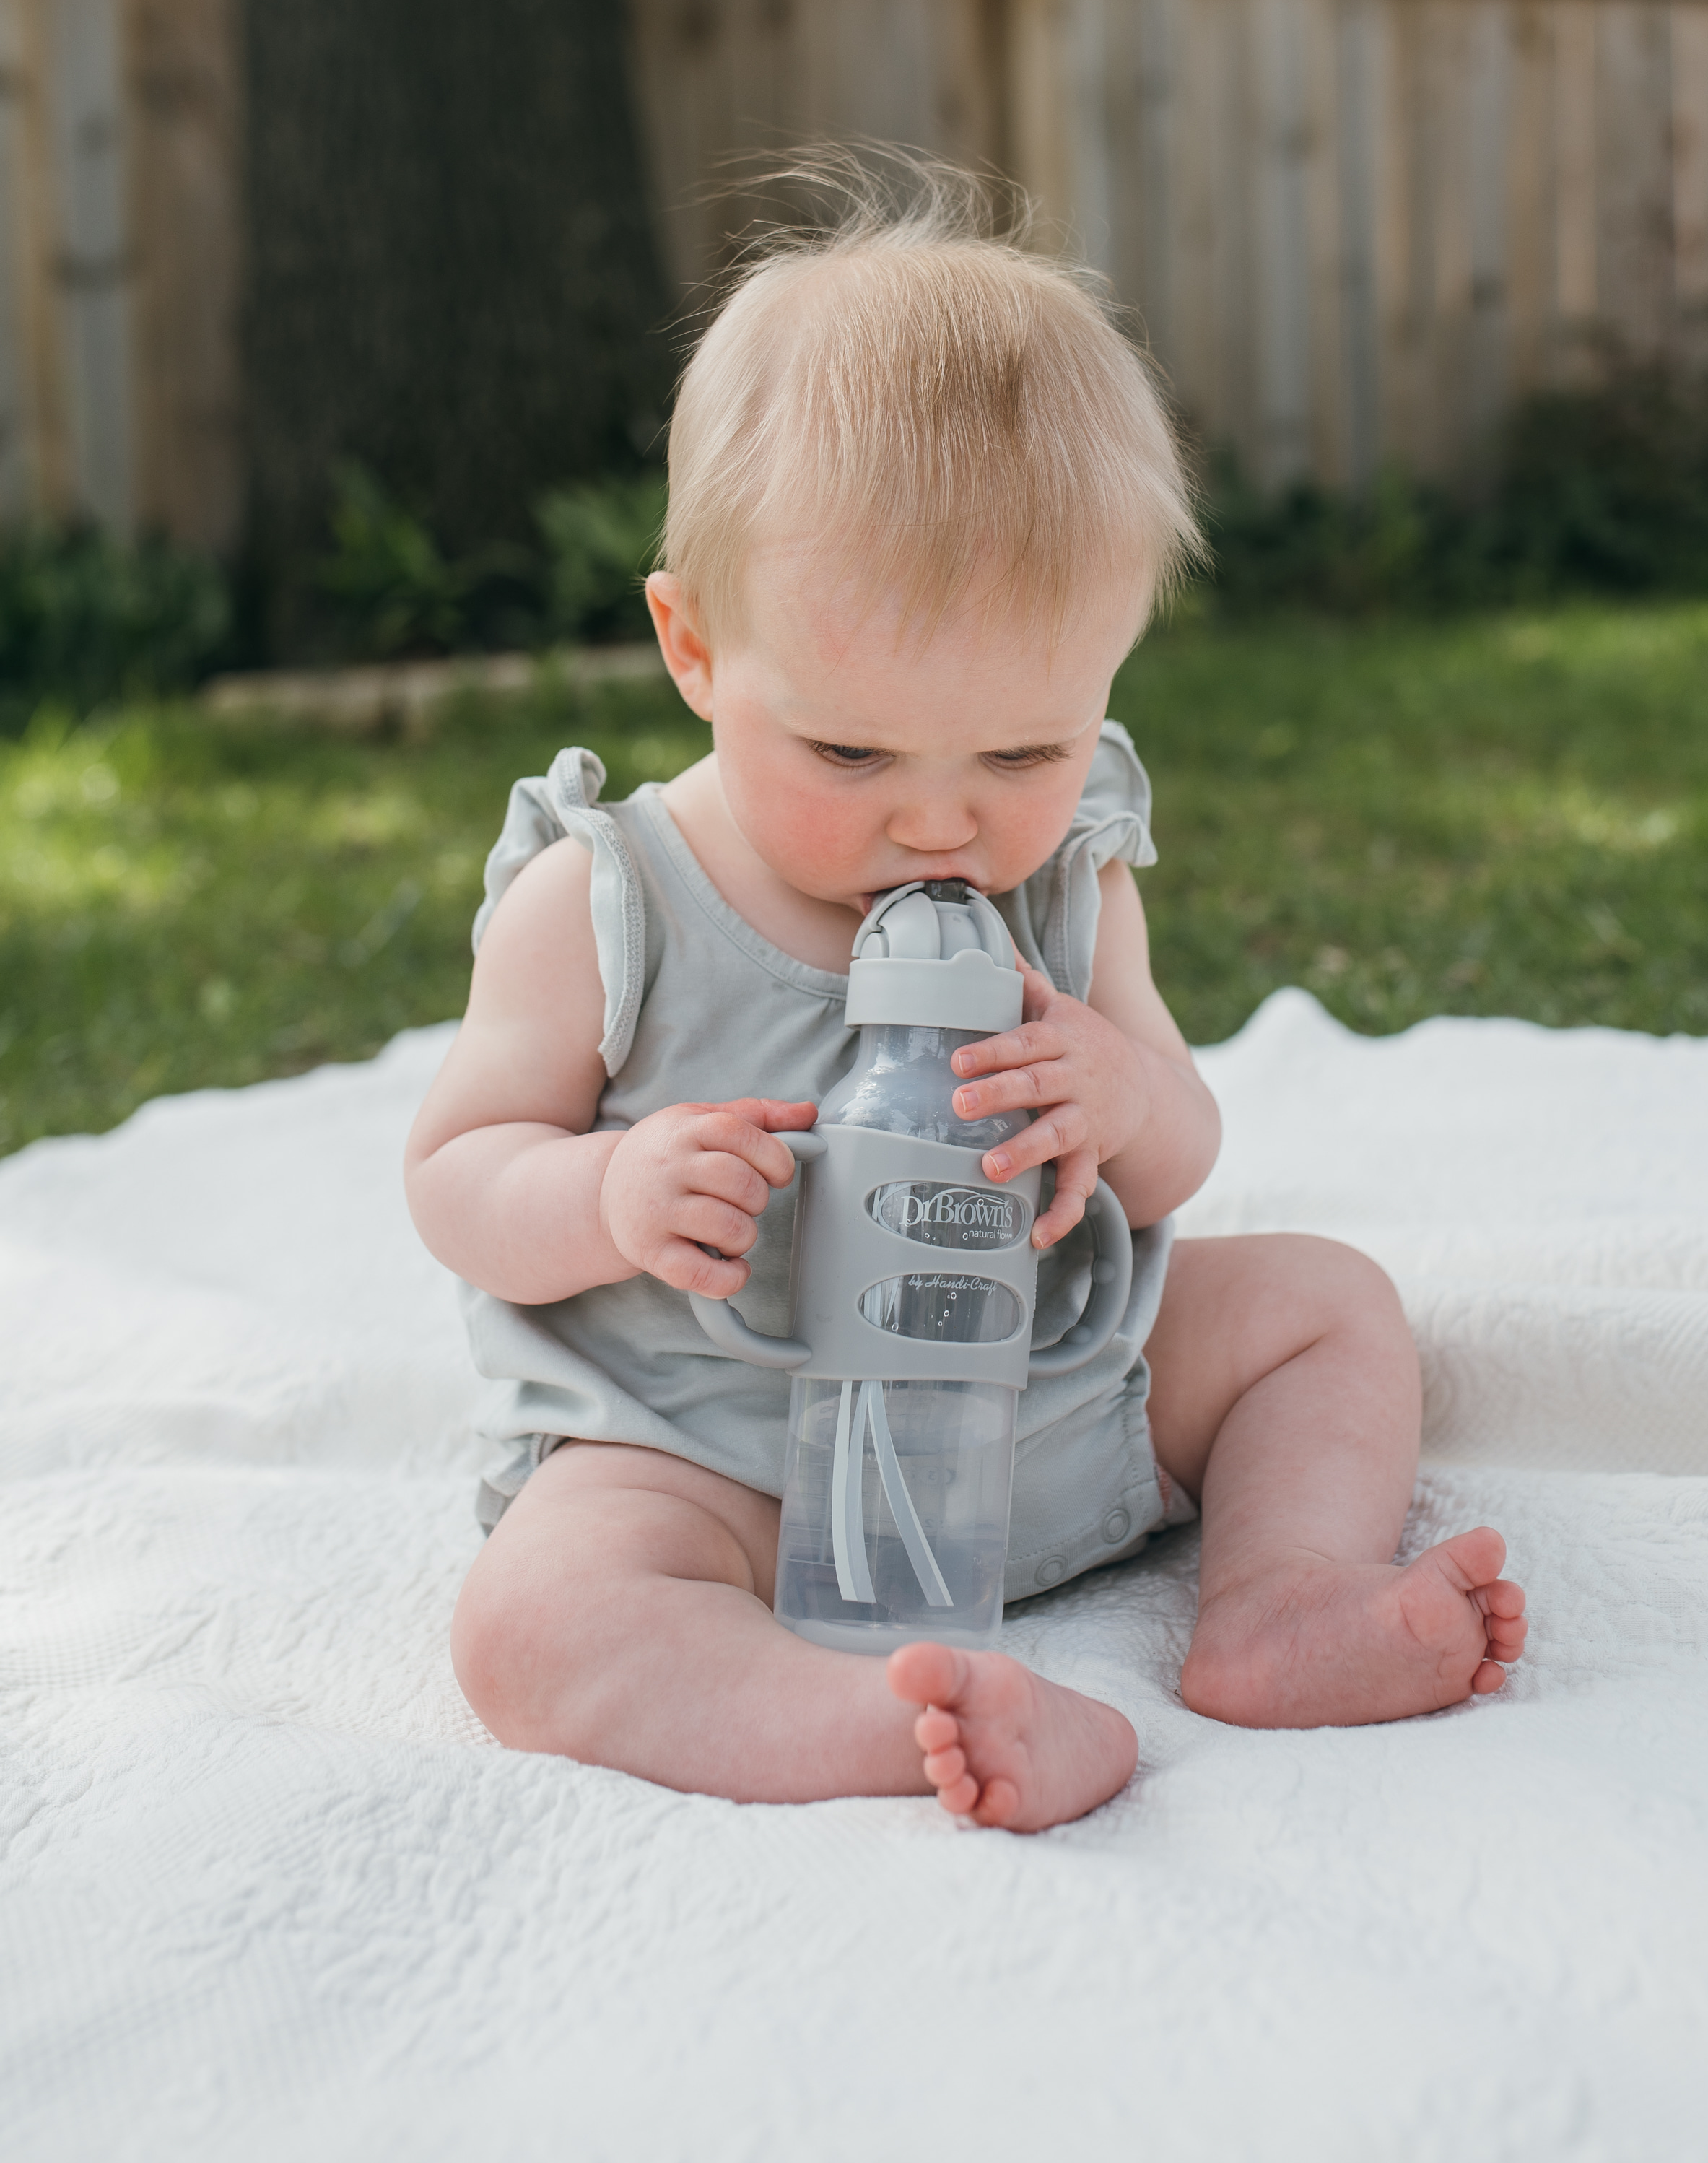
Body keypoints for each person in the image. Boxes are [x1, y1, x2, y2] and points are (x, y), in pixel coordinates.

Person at [406, 165, 1527, 1832]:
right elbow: (456, 1173)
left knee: (1326, 1306)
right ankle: (886, 1716)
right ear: (694, 647)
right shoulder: (610, 898)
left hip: (1054, 1406)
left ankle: (1282, 1596)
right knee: (531, 1620)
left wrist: (1122, 1092)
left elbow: (1180, 1143)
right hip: (720, 1463)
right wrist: (611, 1189)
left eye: (1021, 749)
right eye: (851, 751)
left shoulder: (1068, 871)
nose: (941, 820)